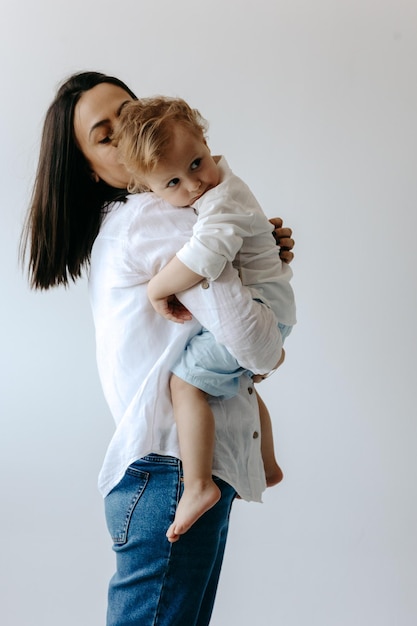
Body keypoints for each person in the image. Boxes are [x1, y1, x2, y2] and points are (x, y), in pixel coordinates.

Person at [20, 71, 295, 626]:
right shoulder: (152, 219)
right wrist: (269, 338)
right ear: (90, 171)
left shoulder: (152, 220)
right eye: (106, 135)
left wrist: (261, 249)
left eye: (130, 113)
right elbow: (250, 340)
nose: (129, 134)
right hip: (171, 474)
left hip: (164, 475)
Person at [113, 96, 296, 543]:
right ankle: (267, 464)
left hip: (261, 310)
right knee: (236, 382)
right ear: (149, 190)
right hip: (272, 306)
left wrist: (159, 286)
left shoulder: (223, 197)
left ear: (205, 140)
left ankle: (197, 486)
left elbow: (206, 257)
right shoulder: (211, 196)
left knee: (184, 383)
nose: (193, 184)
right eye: (172, 182)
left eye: (196, 163)